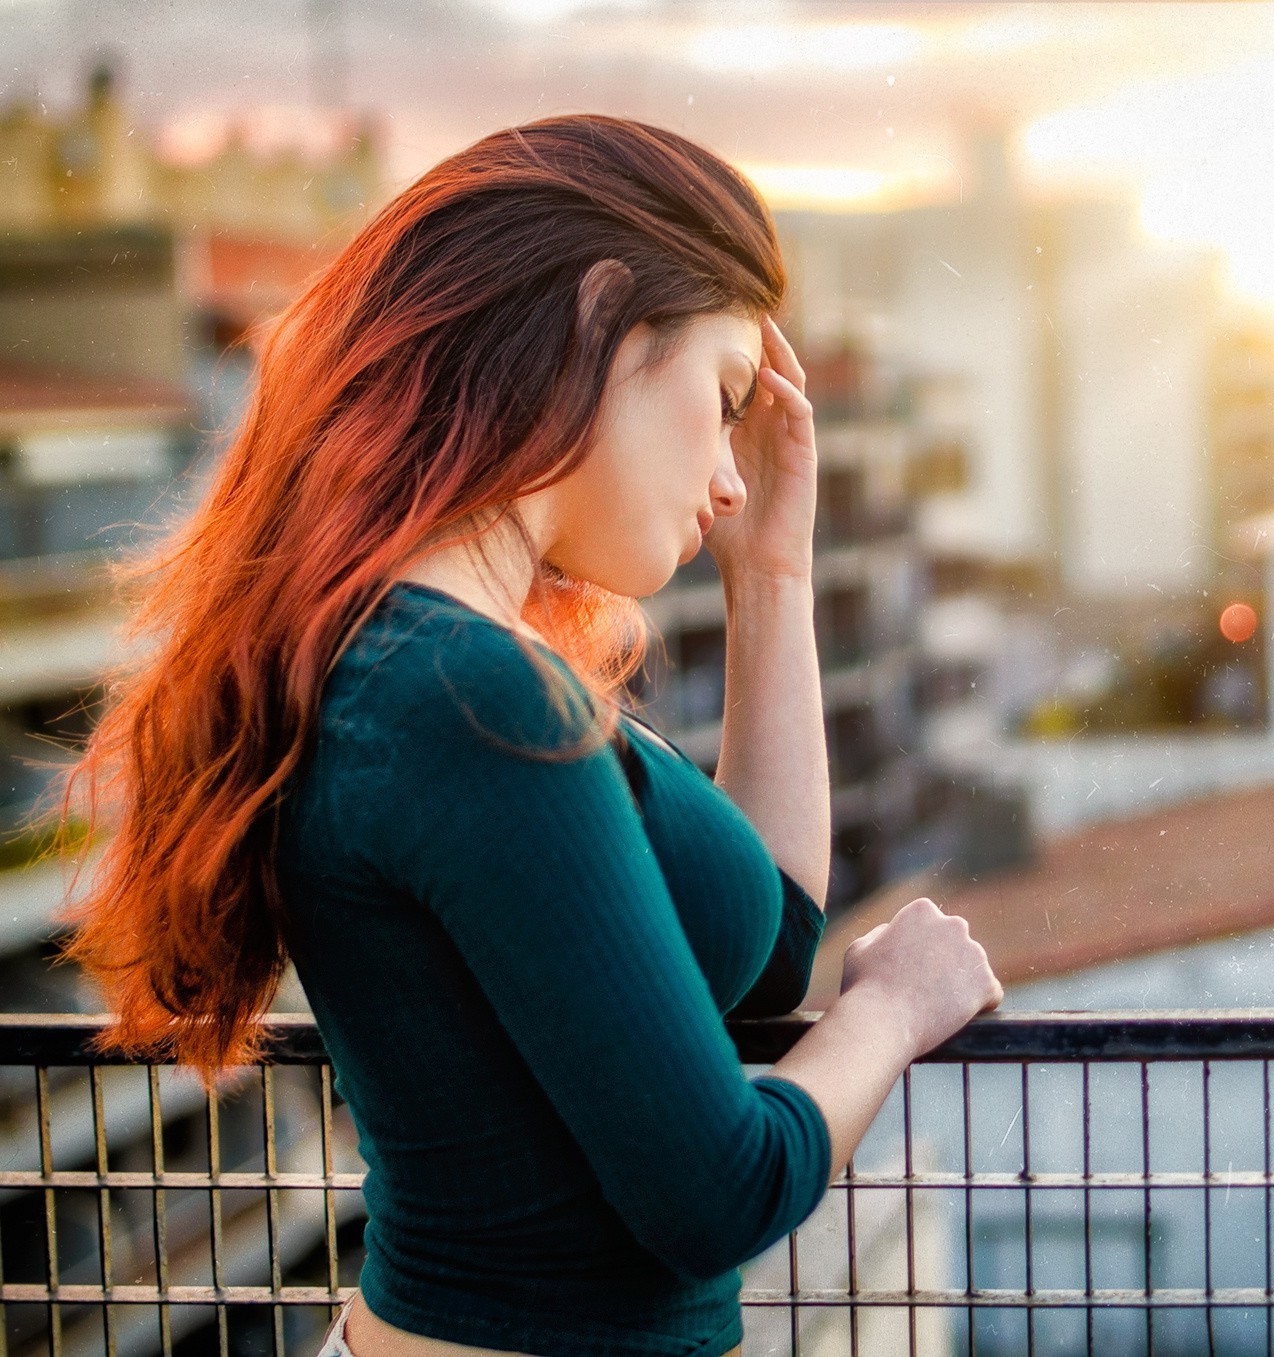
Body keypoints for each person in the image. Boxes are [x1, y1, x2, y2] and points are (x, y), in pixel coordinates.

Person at [47, 115, 1003, 1357]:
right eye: (722, 402)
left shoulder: (442, 662)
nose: (730, 471)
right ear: (600, 320)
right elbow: (717, 1193)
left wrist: (772, 576)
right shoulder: (465, 694)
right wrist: (892, 1011)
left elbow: (766, 948)